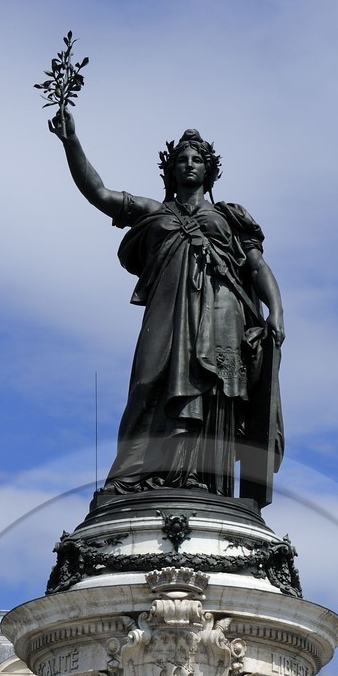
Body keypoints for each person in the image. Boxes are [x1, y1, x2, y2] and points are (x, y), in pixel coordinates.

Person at [49, 109, 284, 497]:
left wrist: (276, 310)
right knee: (148, 380)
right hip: (166, 310)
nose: (189, 165)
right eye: (182, 160)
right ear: (170, 170)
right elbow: (100, 194)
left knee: (212, 393)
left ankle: (202, 479)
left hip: (222, 313)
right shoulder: (155, 212)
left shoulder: (230, 217)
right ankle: (133, 474)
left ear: (209, 171)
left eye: (197, 160)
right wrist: (71, 142)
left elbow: (257, 267)